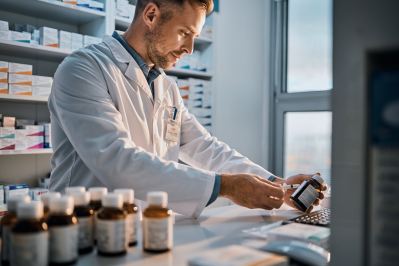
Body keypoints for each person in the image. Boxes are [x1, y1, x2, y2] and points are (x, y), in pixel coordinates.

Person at [48, 0, 327, 218]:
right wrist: (226, 187)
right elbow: (116, 160)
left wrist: (279, 185)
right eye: (184, 33)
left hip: (151, 228)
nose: (190, 48)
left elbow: (205, 147)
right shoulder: (83, 69)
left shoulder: (166, 86)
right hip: (84, 229)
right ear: (151, 15)